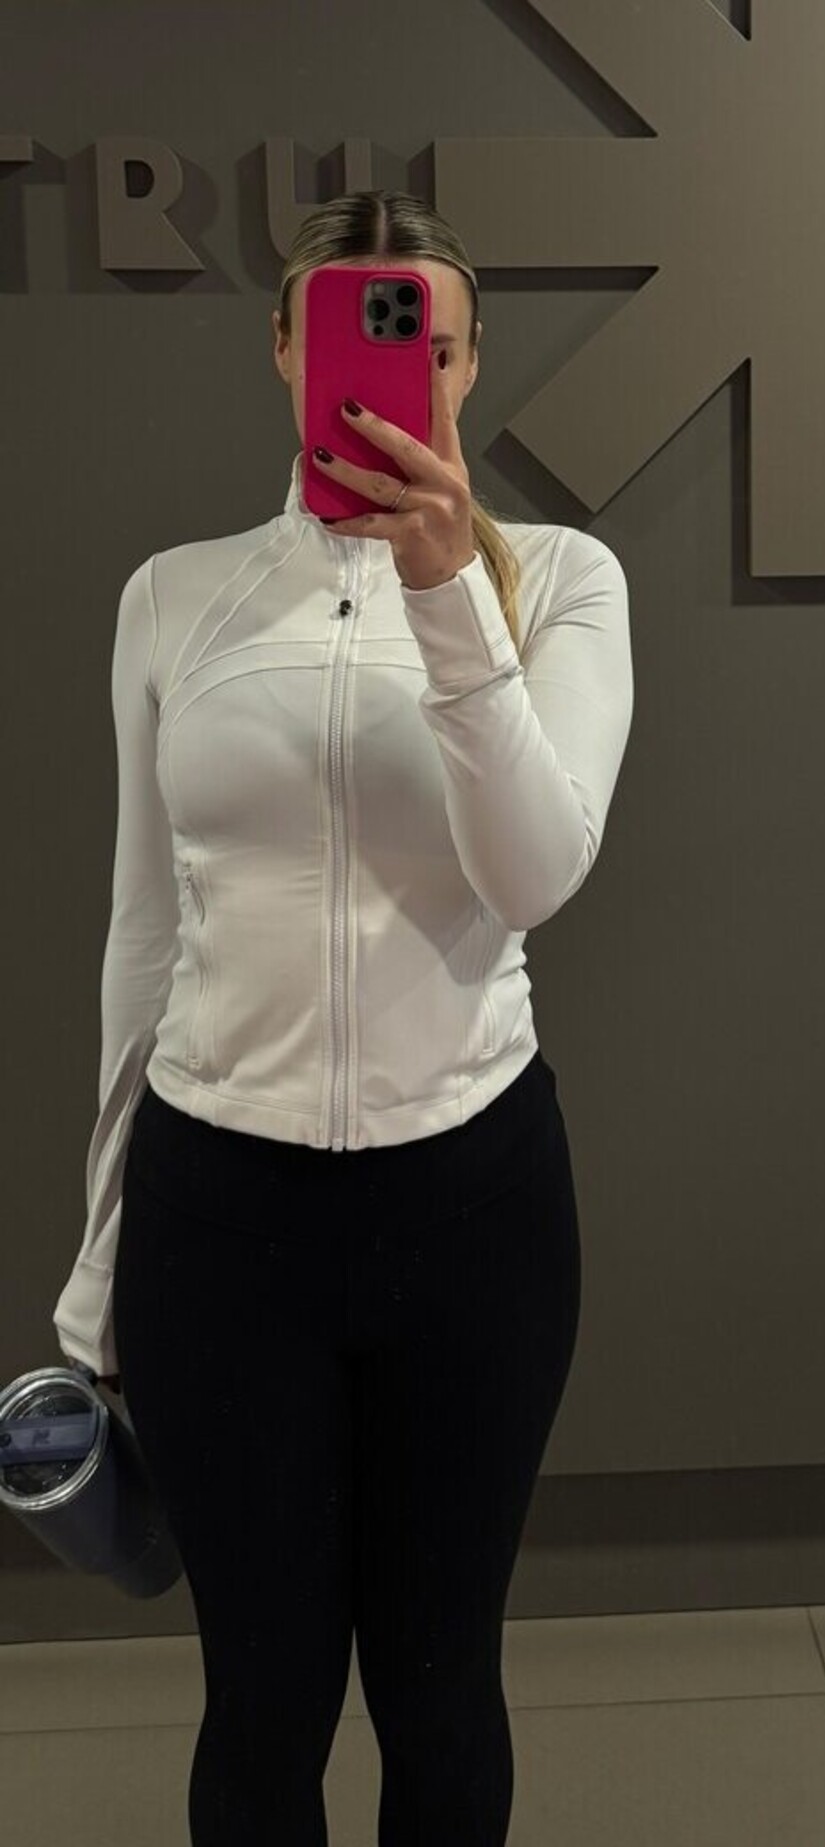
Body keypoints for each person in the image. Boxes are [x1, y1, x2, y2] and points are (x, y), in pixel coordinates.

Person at [51, 189, 633, 1847]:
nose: (394, 378)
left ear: (470, 362)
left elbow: (532, 873)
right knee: (262, 1702)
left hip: (472, 1207)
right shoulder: (175, 598)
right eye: (348, 337)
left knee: (441, 1692)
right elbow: (143, 933)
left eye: (428, 346)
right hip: (216, 1214)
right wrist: (101, 1242)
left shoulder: (560, 583)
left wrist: (450, 601)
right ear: (284, 351)